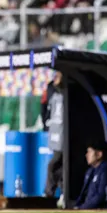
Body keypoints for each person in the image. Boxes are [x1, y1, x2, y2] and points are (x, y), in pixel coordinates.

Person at [74, 140, 107, 210]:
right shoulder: (89, 171)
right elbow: (83, 193)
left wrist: (82, 208)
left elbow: (101, 196)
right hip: (85, 208)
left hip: (99, 210)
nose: (86, 155)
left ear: (99, 154)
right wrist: (76, 206)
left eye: (89, 152)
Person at [43, 71, 64, 200]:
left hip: (64, 136)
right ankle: (61, 192)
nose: (54, 78)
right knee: (59, 165)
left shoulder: (66, 92)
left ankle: (49, 194)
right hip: (57, 136)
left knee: (54, 164)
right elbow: (45, 107)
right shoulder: (51, 89)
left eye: (58, 76)